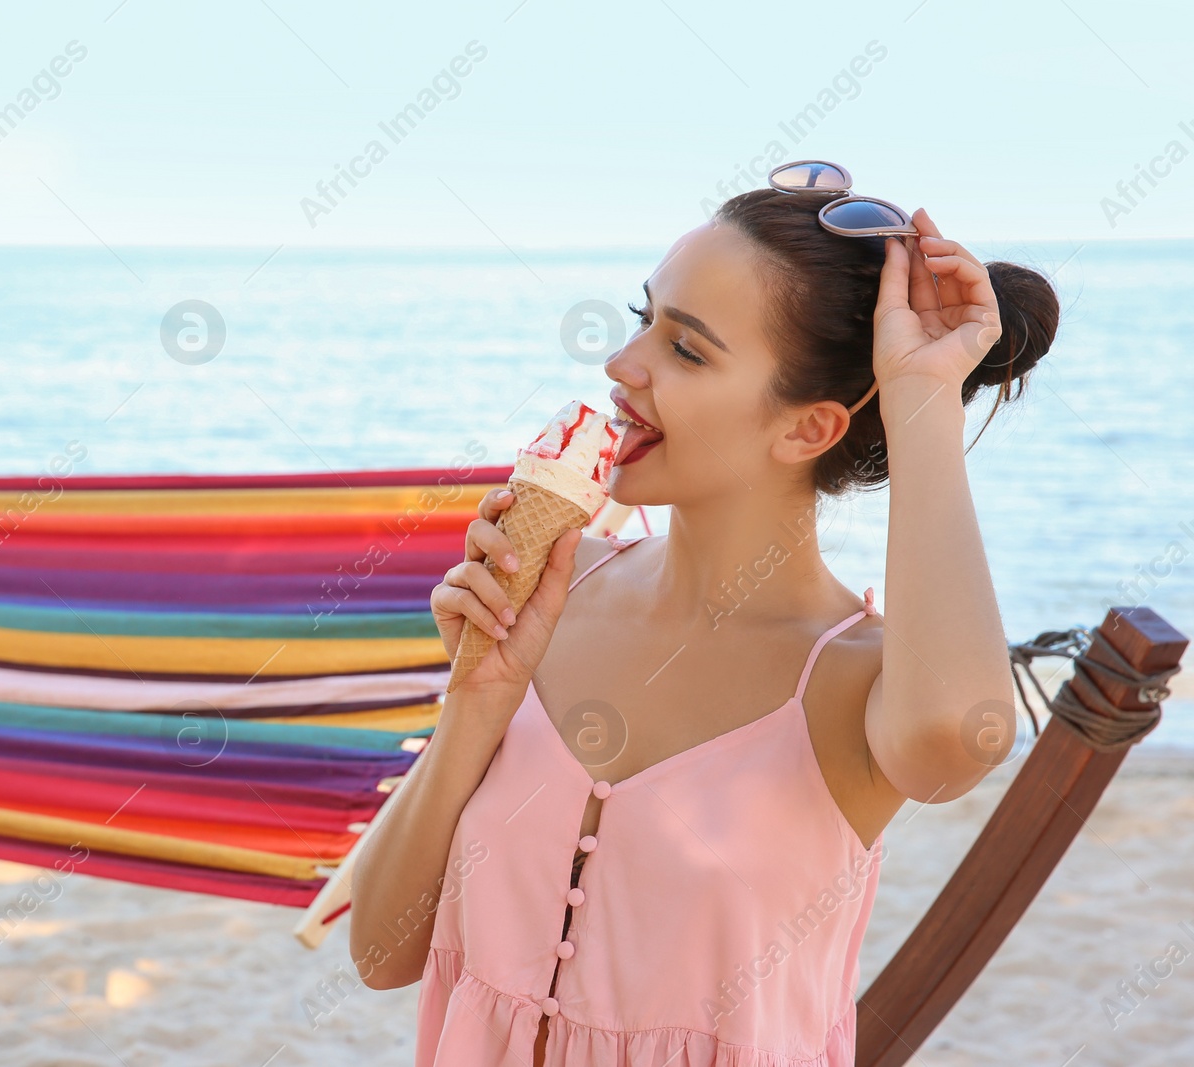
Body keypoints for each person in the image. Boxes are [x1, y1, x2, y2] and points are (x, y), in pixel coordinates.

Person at [348, 166, 1062, 1066]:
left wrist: (919, 395)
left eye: (686, 351)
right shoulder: (551, 591)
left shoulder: (854, 682)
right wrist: (478, 699)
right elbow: (378, 953)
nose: (621, 366)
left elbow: (962, 735)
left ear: (808, 429)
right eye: (644, 319)